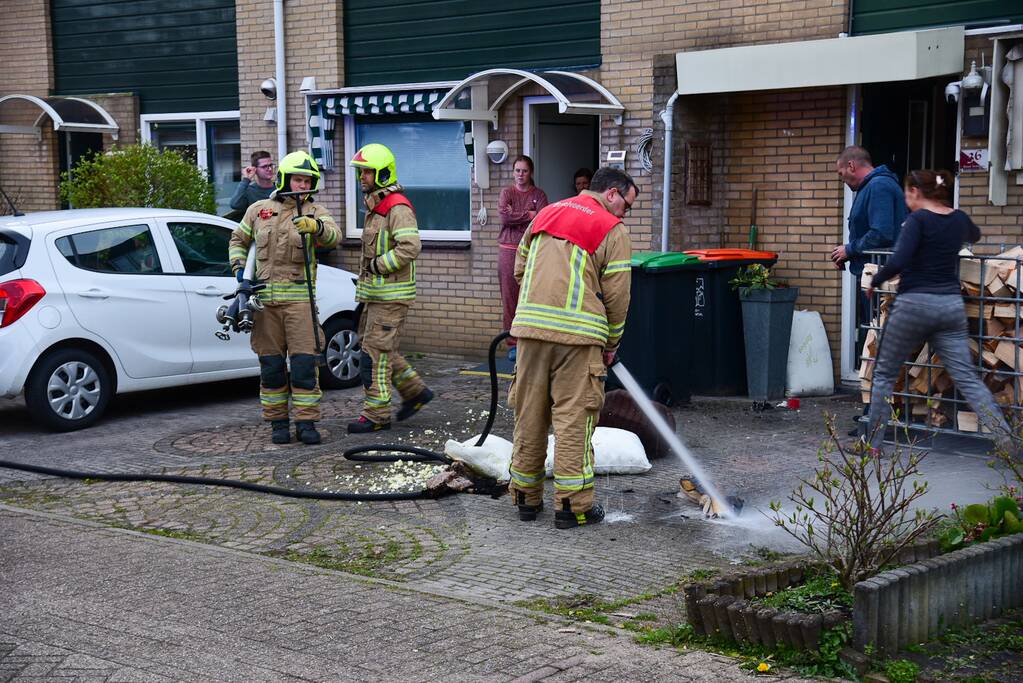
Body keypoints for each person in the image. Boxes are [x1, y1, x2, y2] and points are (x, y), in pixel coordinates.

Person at [508, 166, 636, 529]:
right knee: (574, 420)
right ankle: (572, 506)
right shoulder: (612, 229)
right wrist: (611, 343)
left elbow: (520, 269)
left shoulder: (546, 213)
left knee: (529, 414)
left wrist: (540, 307)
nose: (625, 213)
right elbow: (617, 296)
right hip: (579, 340)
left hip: (530, 333)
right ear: (611, 194)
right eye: (626, 204)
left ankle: (525, 498)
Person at [865, 169, 1013, 452]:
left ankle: (871, 445)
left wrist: (876, 280)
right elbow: (975, 234)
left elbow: (899, 259)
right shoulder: (957, 219)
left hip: (914, 305)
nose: (906, 199)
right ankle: (1008, 444)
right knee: (968, 379)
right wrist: (953, 215)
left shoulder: (917, 220)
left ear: (916, 192)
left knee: (883, 374)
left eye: (908, 193)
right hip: (949, 307)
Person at [228, 151, 340, 445]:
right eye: (298, 179)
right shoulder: (259, 210)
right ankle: (278, 423)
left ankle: (306, 424)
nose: (302, 185)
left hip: (299, 304)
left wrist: (316, 228)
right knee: (271, 367)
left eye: (307, 181)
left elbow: (334, 236)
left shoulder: (316, 212)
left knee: (304, 366)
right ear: (284, 179)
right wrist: (240, 271)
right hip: (264, 305)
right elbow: (238, 240)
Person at [346, 143, 433, 434]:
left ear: (382, 173)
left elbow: (410, 247)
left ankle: (376, 415)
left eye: (368, 172)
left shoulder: (396, 207)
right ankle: (415, 391)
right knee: (380, 348)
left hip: (391, 296)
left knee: (375, 354)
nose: (362, 177)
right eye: (361, 172)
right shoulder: (376, 206)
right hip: (376, 295)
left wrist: (378, 266)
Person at [498, 155, 548, 361]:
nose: (520, 175)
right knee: (510, 297)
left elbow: (542, 218)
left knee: (530, 295)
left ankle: (530, 340)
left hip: (531, 249)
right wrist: (528, 215)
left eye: (524, 171)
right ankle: (513, 343)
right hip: (508, 250)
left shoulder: (539, 194)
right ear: (513, 172)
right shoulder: (506, 193)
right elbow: (504, 217)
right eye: (517, 171)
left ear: (531, 173)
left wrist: (519, 215)